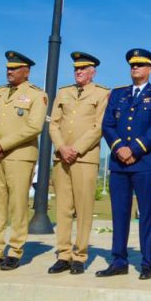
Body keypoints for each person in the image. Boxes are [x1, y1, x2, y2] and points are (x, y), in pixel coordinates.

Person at [97, 49, 151, 280]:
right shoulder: (118, 94)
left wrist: (135, 149)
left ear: (150, 69)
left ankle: (147, 262)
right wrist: (119, 148)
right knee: (119, 213)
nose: (135, 68)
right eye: (132, 65)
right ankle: (119, 260)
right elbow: (107, 124)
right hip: (119, 164)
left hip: (145, 162)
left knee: (147, 213)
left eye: (140, 65)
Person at [0, 51, 48, 271]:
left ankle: (15, 251)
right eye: (8, 68)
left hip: (19, 157)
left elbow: (34, 127)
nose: (10, 72)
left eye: (14, 68)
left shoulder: (37, 95)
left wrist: (2, 144)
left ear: (26, 72)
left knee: (17, 205)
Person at [47, 52, 109, 275]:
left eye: (83, 69)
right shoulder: (64, 93)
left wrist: (76, 149)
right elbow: (53, 124)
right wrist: (62, 147)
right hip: (61, 157)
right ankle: (63, 254)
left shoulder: (102, 94)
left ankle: (79, 255)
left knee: (83, 209)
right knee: (63, 208)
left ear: (93, 72)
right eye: (76, 69)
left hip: (84, 158)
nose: (79, 72)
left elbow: (99, 126)